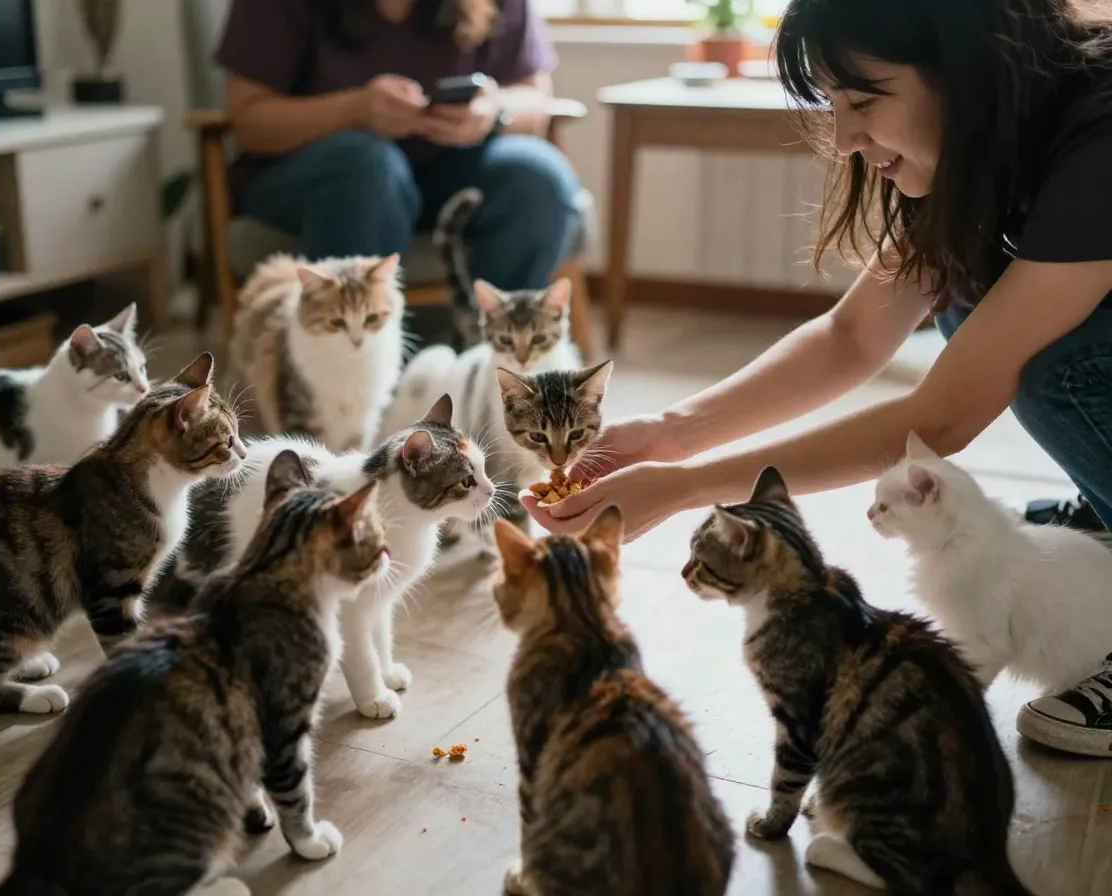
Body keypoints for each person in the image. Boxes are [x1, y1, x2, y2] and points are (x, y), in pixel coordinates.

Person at [522, 0, 1112, 757]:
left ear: (971, 71)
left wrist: (686, 489)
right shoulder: (985, 150)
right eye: (830, 105)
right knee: (978, 310)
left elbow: (946, 413)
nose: (845, 139)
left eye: (864, 101)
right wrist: (669, 437)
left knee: (1045, 357)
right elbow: (850, 337)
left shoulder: (1096, 137)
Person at [215, 0, 580, 340]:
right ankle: (353, 372)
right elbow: (249, 120)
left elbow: (535, 96)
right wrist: (352, 111)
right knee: (367, 167)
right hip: (318, 179)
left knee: (539, 178)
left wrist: (495, 110)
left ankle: (497, 369)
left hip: (448, 171)